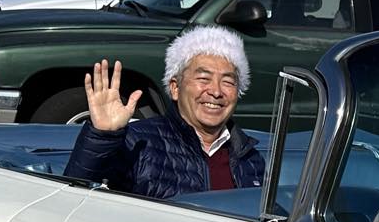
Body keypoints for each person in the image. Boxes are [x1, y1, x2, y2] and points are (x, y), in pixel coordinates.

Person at [63, 27, 267, 199]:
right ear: (175, 88)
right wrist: (101, 137)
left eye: (228, 82)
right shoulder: (138, 143)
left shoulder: (249, 158)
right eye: (203, 79)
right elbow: (75, 197)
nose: (215, 91)